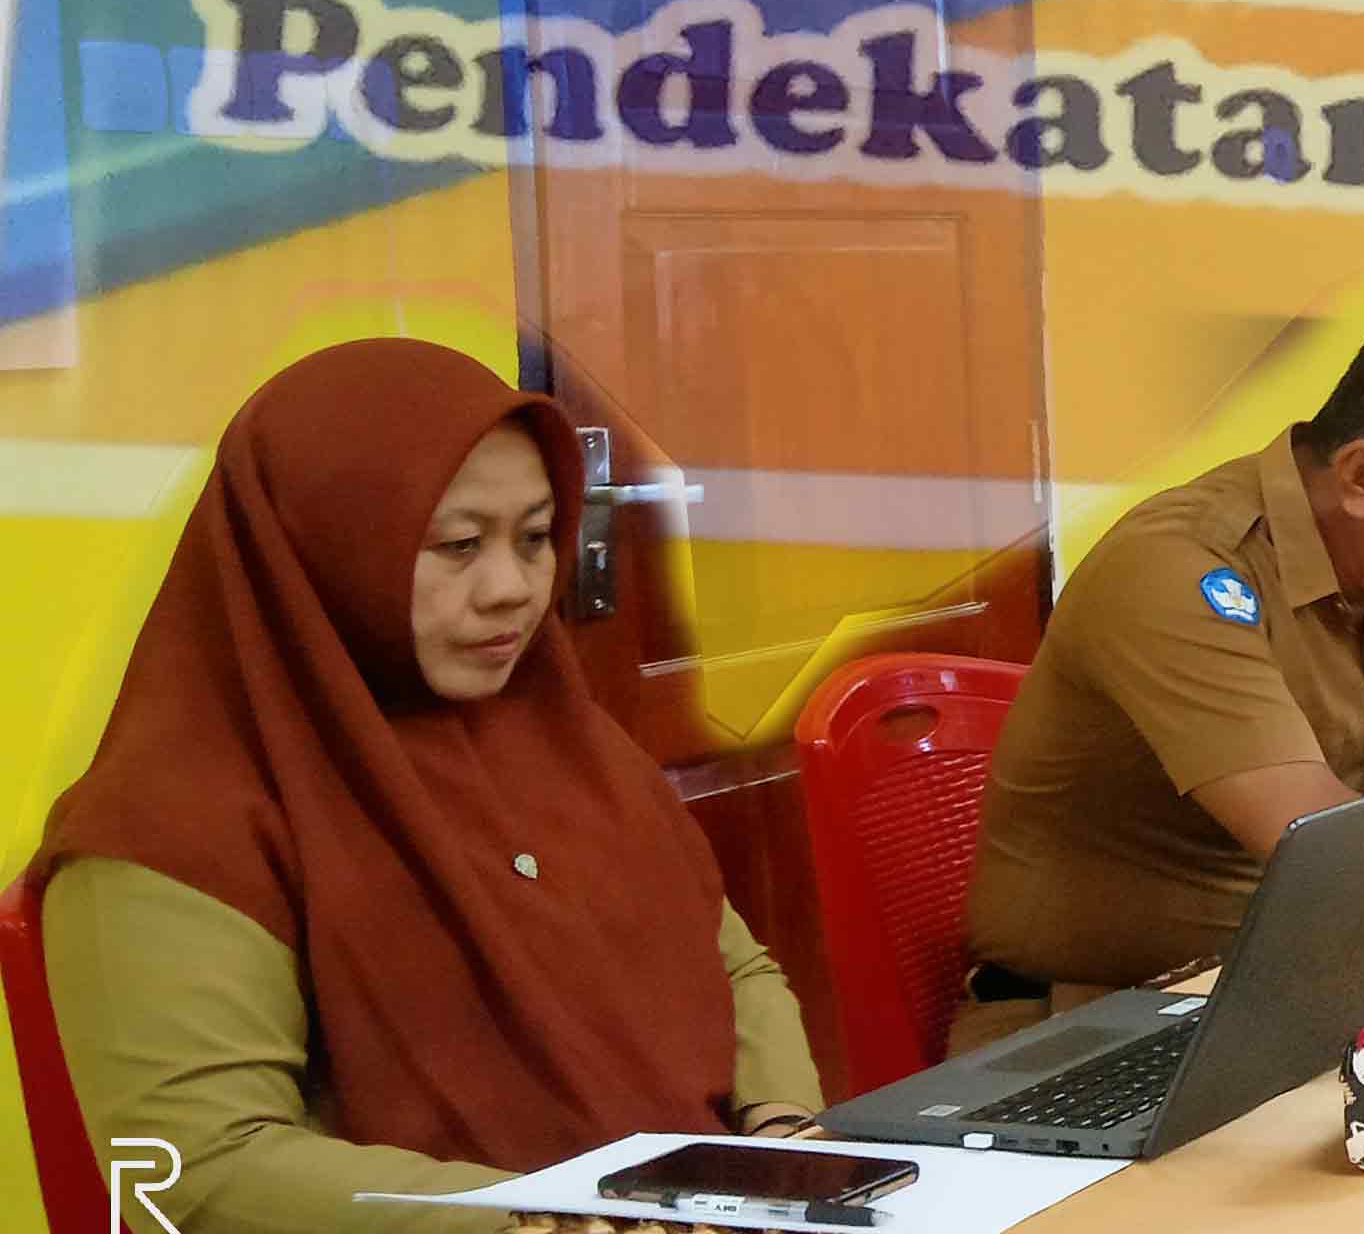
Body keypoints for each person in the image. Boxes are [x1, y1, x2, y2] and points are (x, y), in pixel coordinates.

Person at [35, 340, 819, 1234]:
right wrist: (547, 1223)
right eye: (457, 545)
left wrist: (786, 1140)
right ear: (322, 547)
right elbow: (197, 1168)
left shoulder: (564, 741)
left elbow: (728, 963)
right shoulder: (174, 824)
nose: (511, 589)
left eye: (535, 538)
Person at [962, 303, 1364, 1026]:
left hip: (1310, 985)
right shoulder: (1181, 566)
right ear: (1363, 475)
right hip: (1105, 1022)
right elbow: (1327, 852)